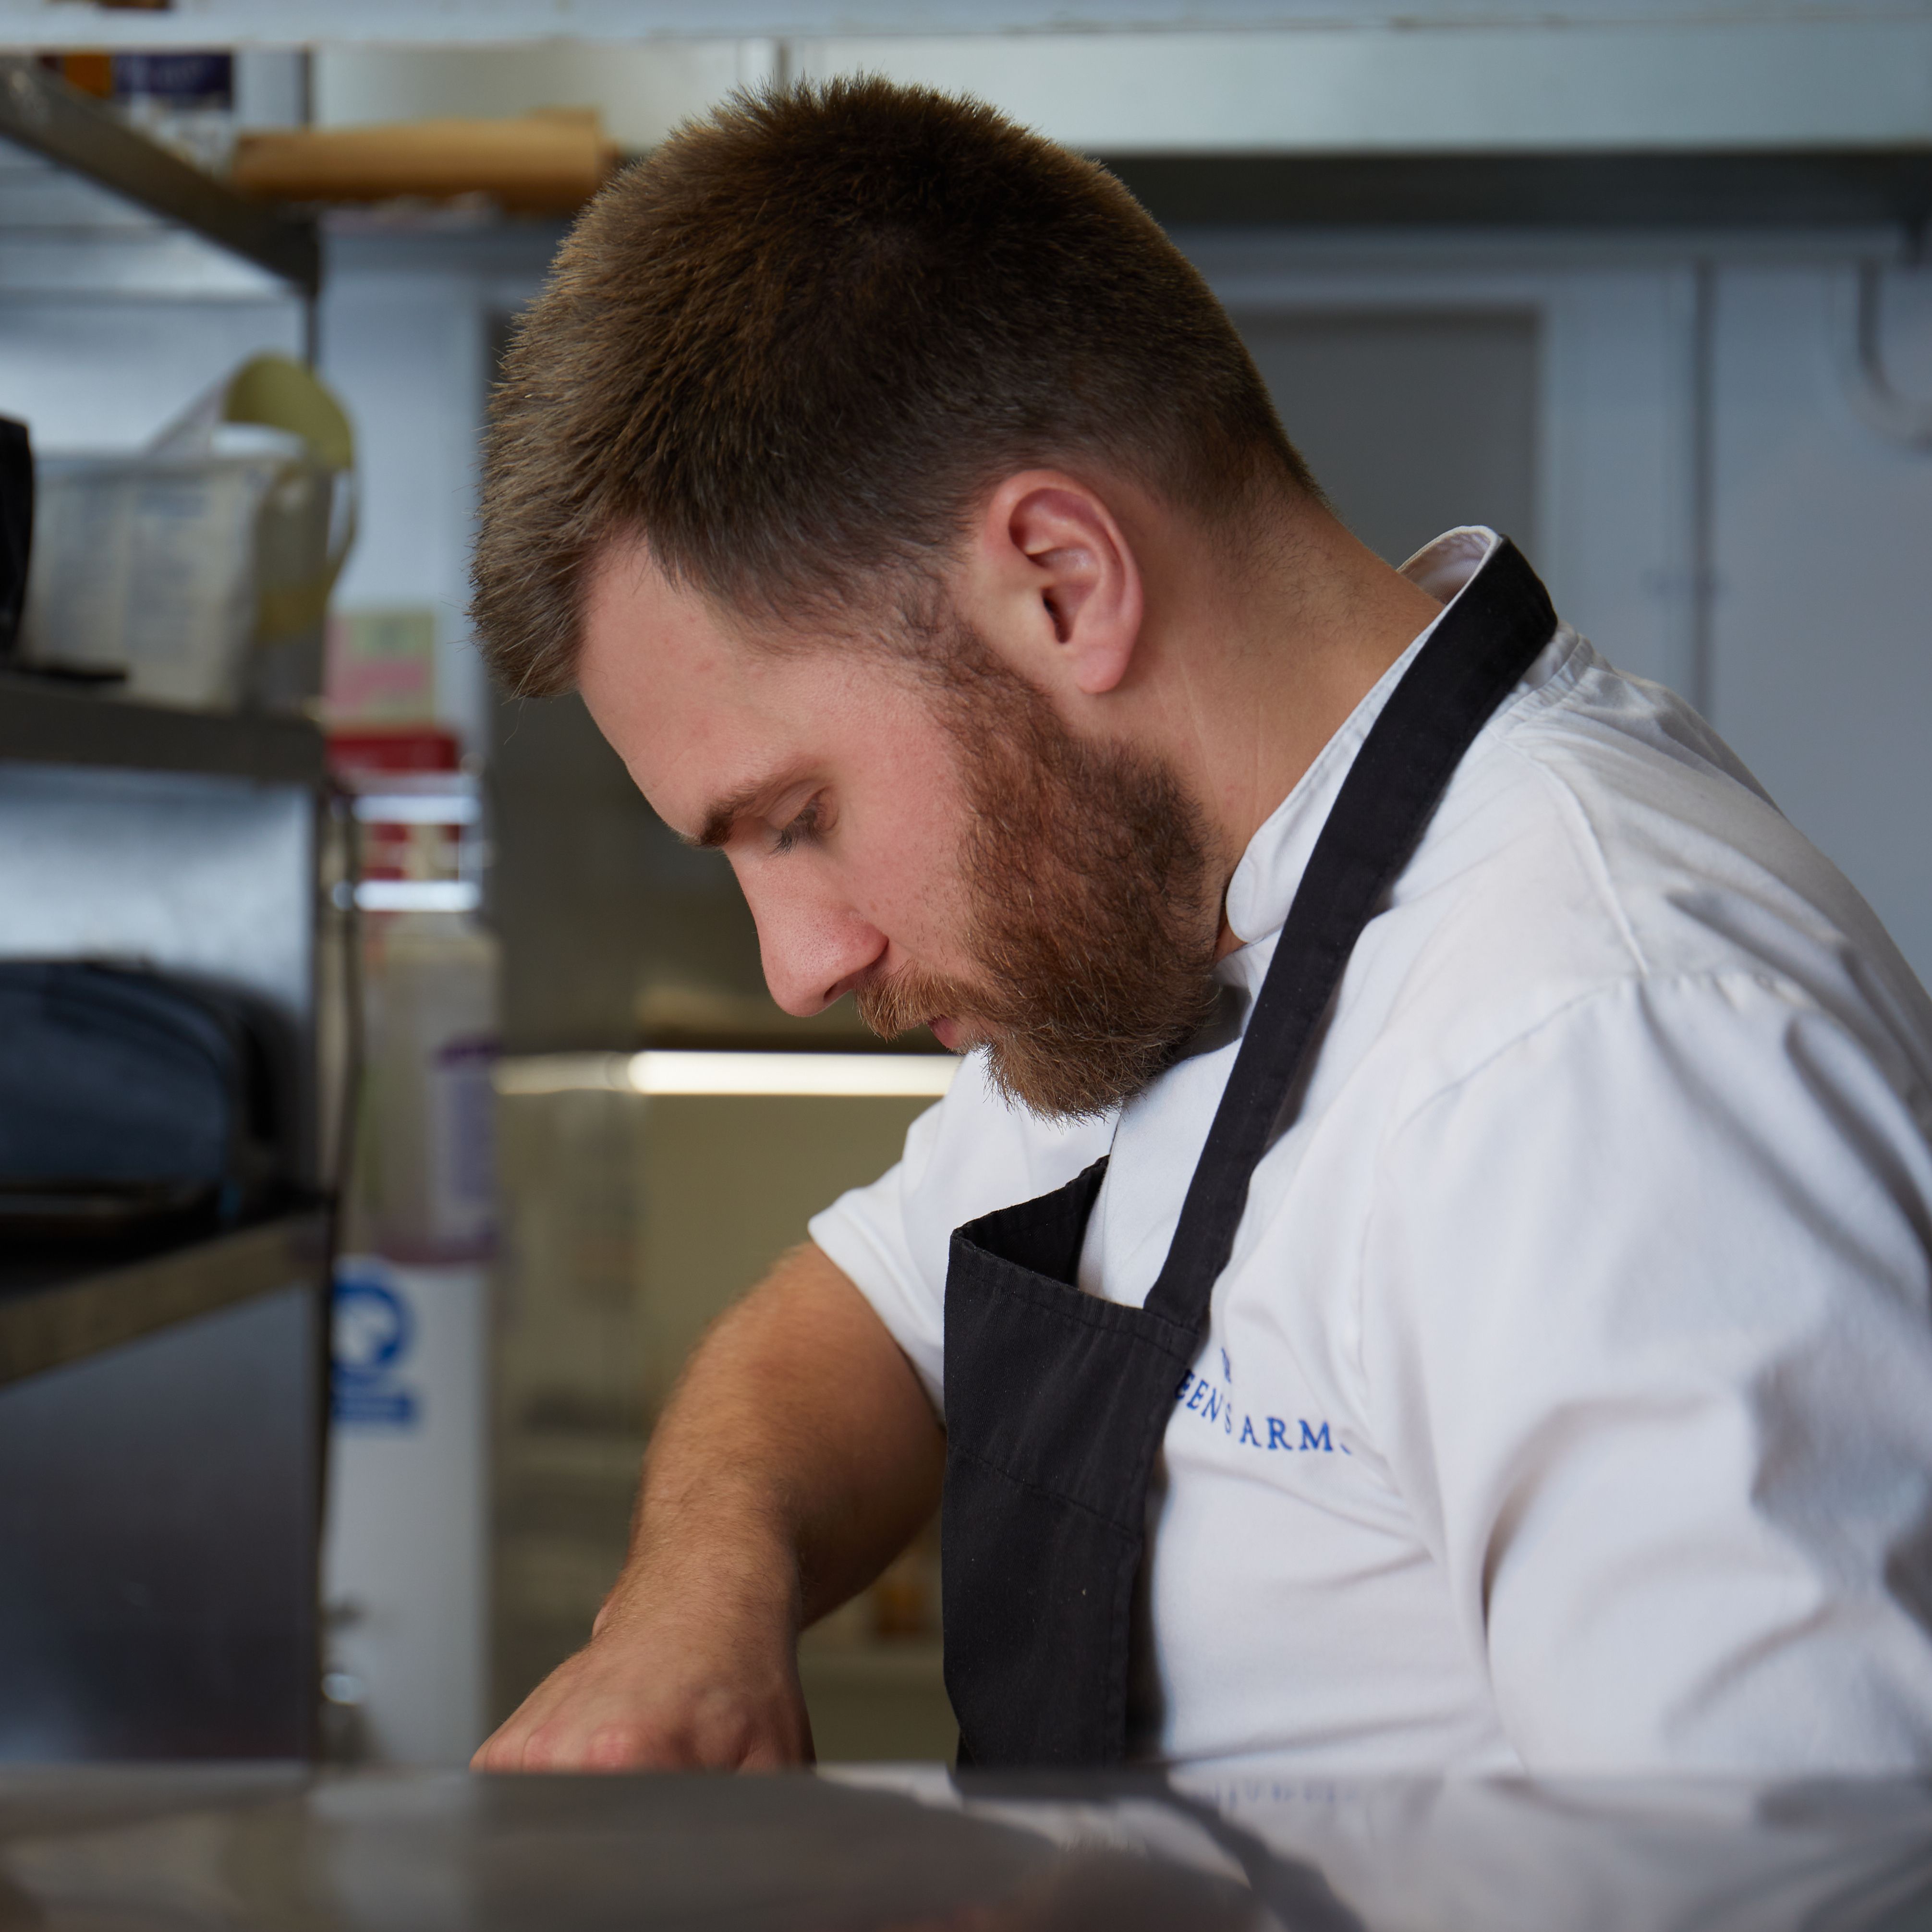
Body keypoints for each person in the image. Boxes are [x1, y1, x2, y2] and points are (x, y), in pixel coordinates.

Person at [469, 78, 1932, 1775]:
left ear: (1063, 586)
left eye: (800, 821)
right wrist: (696, 1601)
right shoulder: (1155, 922)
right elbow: (856, 1315)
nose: (801, 962)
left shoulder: (1600, 1052)